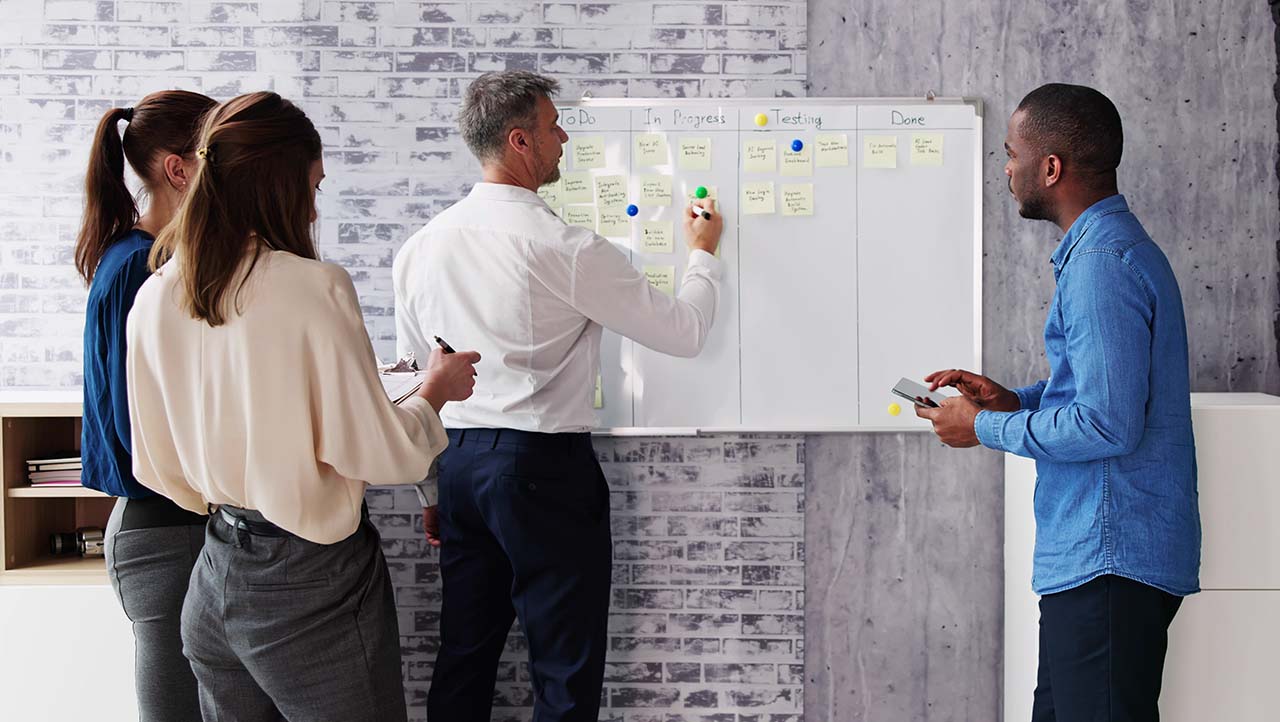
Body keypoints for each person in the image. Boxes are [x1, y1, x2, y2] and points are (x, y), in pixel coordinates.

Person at [124, 91, 480, 722]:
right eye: (313, 186)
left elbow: (156, 462)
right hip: (310, 582)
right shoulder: (313, 287)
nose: (314, 206)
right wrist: (434, 391)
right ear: (278, 185)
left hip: (214, 575)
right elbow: (382, 453)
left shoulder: (155, 295)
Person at [393, 70, 725, 721]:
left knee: (463, 655)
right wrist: (703, 254)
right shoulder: (564, 247)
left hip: (459, 465)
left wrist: (432, 490)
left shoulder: (419, 248)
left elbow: (416, 382)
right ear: (520, 141)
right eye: (552, 126)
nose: (564, 135)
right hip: (542, 470)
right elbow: (684, 333)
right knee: (564, 666)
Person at [917, 83, 1200, 722]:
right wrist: (1013, 400)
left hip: (1108, 555)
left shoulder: (1101, 263)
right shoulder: (1108, 252)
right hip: (1104, 556)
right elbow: (1101, 392)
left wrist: (986, 429)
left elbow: (1107, 422)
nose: (1007, 168)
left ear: (1050, 168)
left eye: (1012, 152)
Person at [75, 89, 217, 722]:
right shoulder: (139, 268)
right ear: (177, 168)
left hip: (171, 529)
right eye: (222, 155)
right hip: (164, 532)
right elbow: (138, 431)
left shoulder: (148, 260)